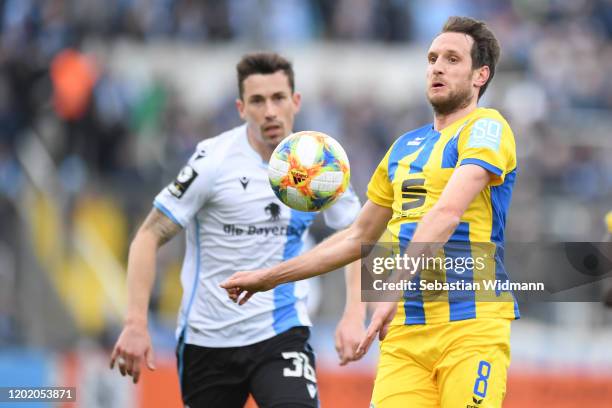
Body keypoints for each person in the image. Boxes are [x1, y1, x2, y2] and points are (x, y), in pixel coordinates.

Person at [222, 16, 519, 408]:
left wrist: (391, 286)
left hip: (471, 325)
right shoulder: (403, 148)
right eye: (432, 58)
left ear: (480, 75)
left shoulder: (487, 127)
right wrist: (269, 277)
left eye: (451, 59)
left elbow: (447, 213)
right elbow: (356, 237)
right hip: (403, 334)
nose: (437, 67)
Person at [109, 52, 364, 407]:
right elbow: (148, 235)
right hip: (208, 339)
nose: (270, 111)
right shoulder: (212, 160)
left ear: (296, 101)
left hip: (281, 332)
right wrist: (136, 322)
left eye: (278, 98)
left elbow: (358, 236)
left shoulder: (320, 164)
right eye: (258, 101)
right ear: (241, 108)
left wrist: (354, 313)